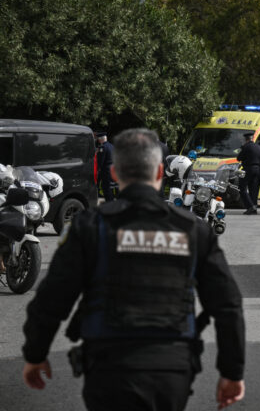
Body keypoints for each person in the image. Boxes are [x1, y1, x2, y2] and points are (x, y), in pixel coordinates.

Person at [21, 128, 245, 411]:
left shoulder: (90, 226)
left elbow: (52, 298)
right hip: (171, 370)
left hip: (108, 367)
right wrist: (232, 372)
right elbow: (228, 305)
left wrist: (35, 353)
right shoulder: (192, 229)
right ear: (161, 171)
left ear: (113, 174)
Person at [237, 132, 260, 215]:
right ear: (252, 138)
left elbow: (239, 158)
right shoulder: (258, 146)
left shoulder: (246, 147)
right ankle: (254, 207)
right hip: (257, 169)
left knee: (242, 188)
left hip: (248, 169)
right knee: (253, 189)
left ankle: (250, 207)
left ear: (246, 139)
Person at [96, 132, 116, 201]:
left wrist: (97, 169)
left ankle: (109, 203)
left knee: (106, 188)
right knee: (111, 187)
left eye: (98, 139)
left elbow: (100, 161)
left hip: (105, 171)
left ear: (100, 139)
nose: (98, 140)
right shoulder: (111, 146)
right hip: (112, 169)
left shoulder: (103, 147)